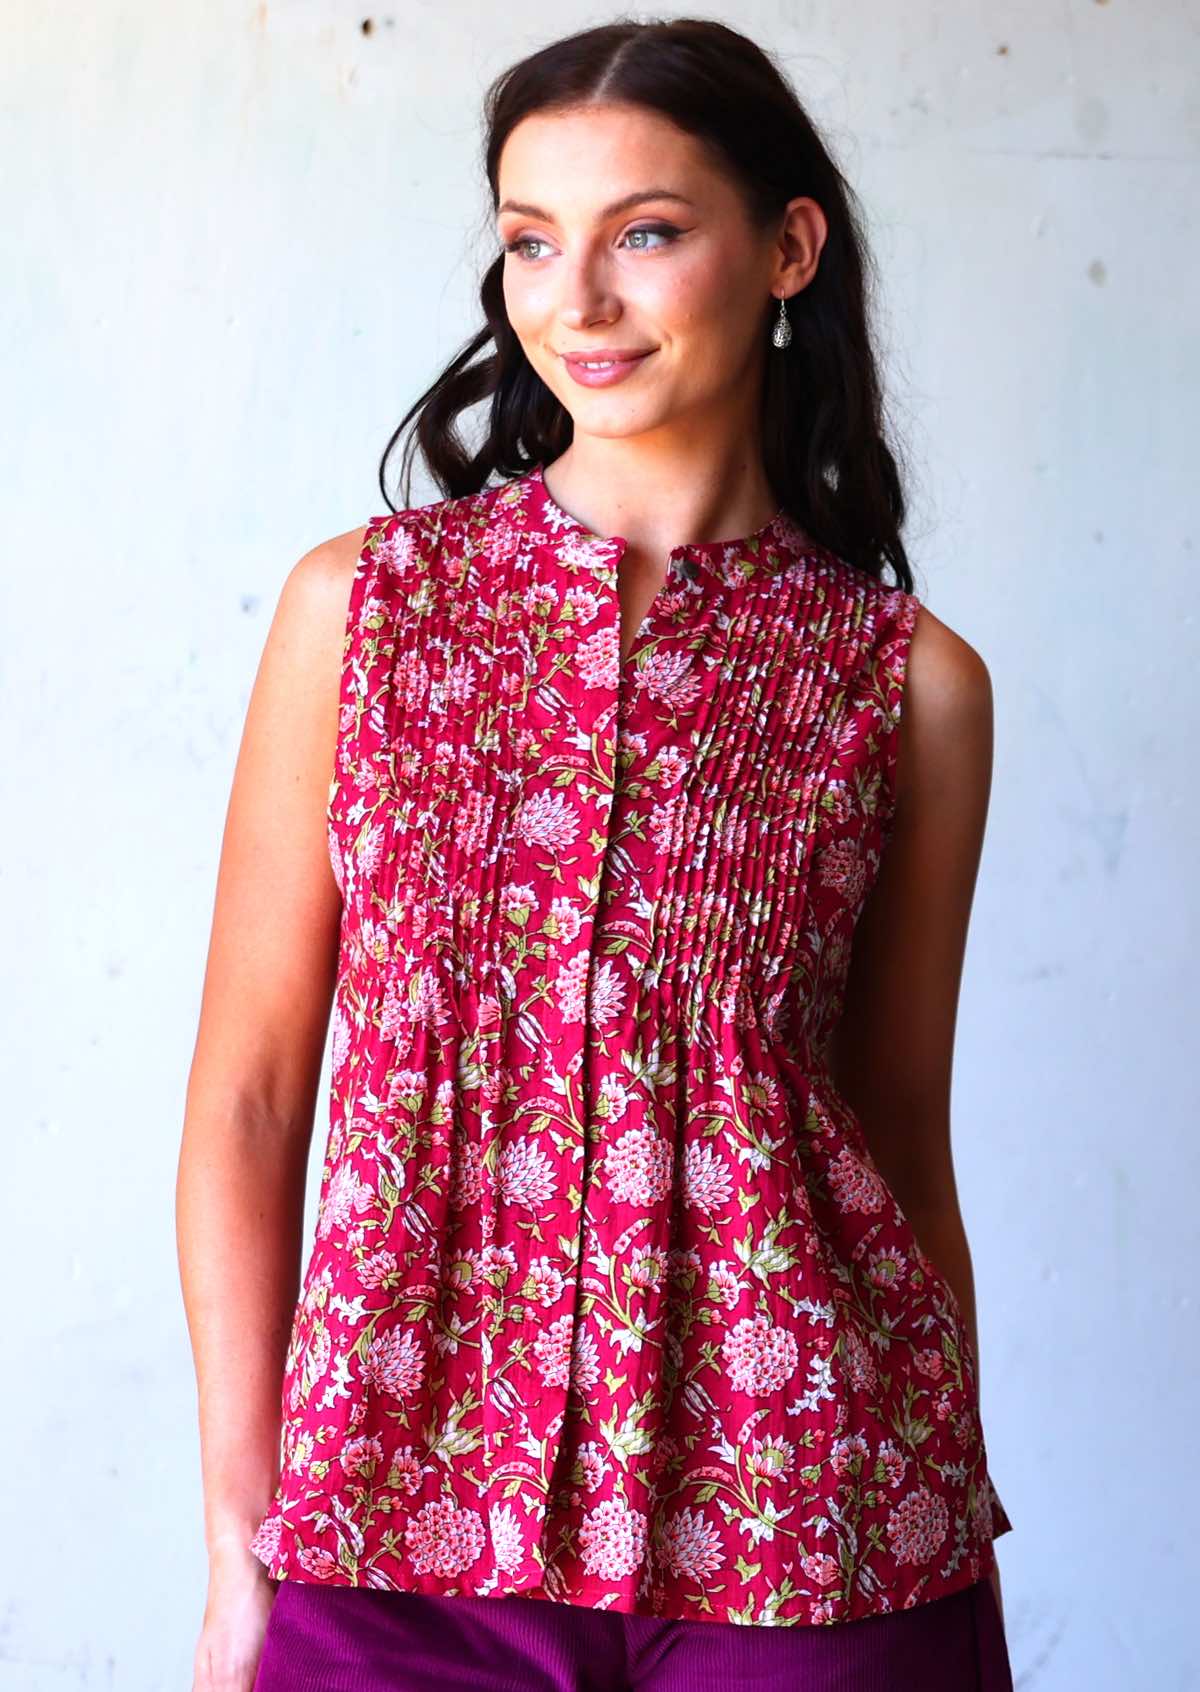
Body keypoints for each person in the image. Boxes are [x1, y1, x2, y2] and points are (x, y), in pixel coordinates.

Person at [177, 16, 1016, 1692]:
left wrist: (946, 1474)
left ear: (785, 248)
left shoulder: (908, 684)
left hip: (816, 1525)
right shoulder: (364, 612)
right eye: (530, 244)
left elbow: (900, 1141)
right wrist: (233, 1540)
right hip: (395, 1523)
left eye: (646, 232)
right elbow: (253, 1099)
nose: (578, 301)